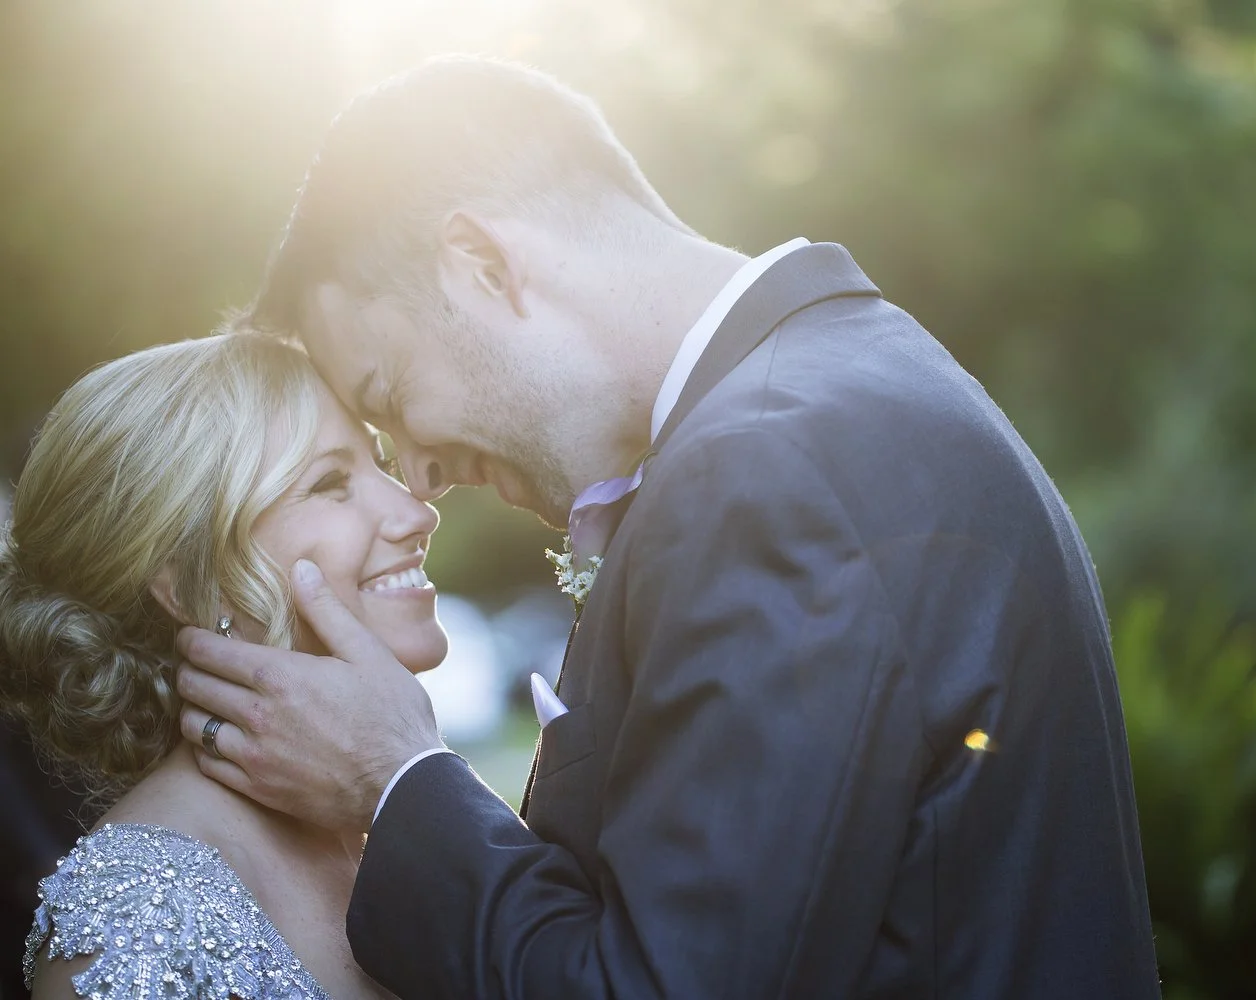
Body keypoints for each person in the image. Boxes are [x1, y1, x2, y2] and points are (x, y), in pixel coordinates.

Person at [177, 55, 1162, 998]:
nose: (423, 474)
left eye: (389, 397)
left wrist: (393, 780)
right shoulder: (860, 378)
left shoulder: (765, 475)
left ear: (481, 261)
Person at [1, 333, 446, 999]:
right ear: (187, 585)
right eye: (331, 483)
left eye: (380, 464)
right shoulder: (138, 916)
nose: (415, 512)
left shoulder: (402, 801)